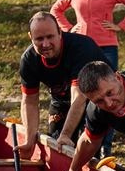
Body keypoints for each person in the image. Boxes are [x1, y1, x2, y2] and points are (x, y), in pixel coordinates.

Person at [17, 12, 101, 150]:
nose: (45, 44)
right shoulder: (29, 59)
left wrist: (66, 135)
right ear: (30, 37)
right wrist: (29, 140)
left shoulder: (81, 48)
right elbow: (29, 101)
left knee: (86, 148)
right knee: (56, 145)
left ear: (60, 33)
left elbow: (79, 98)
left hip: (95, 100)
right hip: (61, 99)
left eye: (50, 37)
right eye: (39, 39)